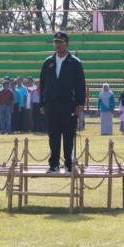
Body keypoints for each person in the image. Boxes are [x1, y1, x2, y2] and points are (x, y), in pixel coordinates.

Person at [39, 31, 86, 173]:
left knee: (68, 135)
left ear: (67, 43)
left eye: (60, 42)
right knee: (53, 135)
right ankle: (53, 164)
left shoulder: (75, 63)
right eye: (56, 42)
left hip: (68, 105)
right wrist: (42, 103)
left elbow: (80, 85)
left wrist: (80, 104)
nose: (57, 45)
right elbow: (43, 84)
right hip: (52, 104)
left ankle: (68, 163)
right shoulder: (48, 62)